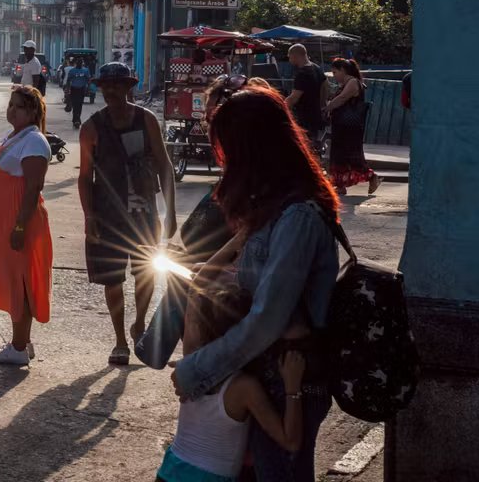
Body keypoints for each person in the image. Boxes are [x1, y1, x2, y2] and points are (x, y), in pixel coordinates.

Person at [171, 86, 341, 482]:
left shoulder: (297, 216)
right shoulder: (273, 206)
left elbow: (268, 318)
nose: (227, 161)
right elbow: (220, 276)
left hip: (290, 376)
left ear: (254, 149)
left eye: (230, 148)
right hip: (267, 371)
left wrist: (198, 369)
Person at [78, 61, 177, 366]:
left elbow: (163, 165)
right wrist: (89, 216)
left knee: (146, 273)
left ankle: (140, 323)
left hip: (143, 212)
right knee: (112, 278)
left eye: (117, 86)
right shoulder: (92, 127)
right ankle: (120, 339)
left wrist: (170, 211)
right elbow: (85, 176)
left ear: (128, 88)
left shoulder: (145, 119)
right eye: (106, 86)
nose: (110, 91)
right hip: (108, 213)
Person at [157, 286, 307, 482]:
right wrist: (293, 387)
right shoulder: (244, 387)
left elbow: (195, 292)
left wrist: (226, 253)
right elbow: (290, 441)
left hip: (171, 470)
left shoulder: (191, 367)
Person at [0, 85, 54, 367]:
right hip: (3, 222)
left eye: (18, 106)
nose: (11, 110)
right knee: (13, 279)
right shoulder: (14, 136)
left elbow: (33, 188)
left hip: (20, 222)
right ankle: (23, 341)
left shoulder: (34, 141)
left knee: (20, 283)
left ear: (33, 111)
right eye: (10, 104)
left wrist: (20, 227)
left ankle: (18, 347)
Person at [326, 59, 380, 196]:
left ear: (343, 70)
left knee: (352, 156)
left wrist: (327, 107)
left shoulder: (353, 82)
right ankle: (340, 185)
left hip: (350, 127)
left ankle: (372, 177)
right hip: (341, 126)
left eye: (335, 72)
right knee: (339, 156)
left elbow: (343, 98)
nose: (334, 75)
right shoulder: (345, 83)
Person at [284, 44, 327, 151]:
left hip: (303, 116)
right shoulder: (316, 68)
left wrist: (281, 107)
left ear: (295, 56)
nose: (289, 60)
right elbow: (326, 87)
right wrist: (321, 105)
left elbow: (294, 97)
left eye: (289, 57)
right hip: (315, 115)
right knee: (313, 146)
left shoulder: (302, 73)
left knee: (303, 147)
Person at [65, 57, 92, 129]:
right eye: (79, 62)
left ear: (82, 63)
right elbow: (68, 80)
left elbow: (88, 80)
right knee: (74, 104)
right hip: (74, 89)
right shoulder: (72, 71)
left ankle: (77, 118)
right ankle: (75, 119)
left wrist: (89, 88)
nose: (80, 64)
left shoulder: (85, 71)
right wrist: (67, 90)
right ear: (76, 63)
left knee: (79, 104)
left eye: (81, 62)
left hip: (82, 89)